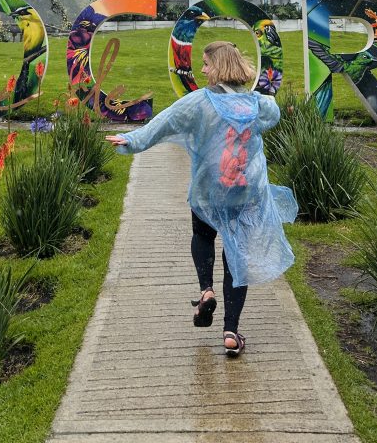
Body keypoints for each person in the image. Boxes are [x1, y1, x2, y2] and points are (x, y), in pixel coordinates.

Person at [106, 40, 298, 357]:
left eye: (207, 63)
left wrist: (130, 140)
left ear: (218, 66)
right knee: (236, 255)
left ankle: (206, 290)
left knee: (202, 234)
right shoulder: (256, 103)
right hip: (243, 191)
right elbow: (273, 116)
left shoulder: (199, 102)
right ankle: (231, 332)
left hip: (210, 190)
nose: (203, 69)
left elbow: (163, 123)